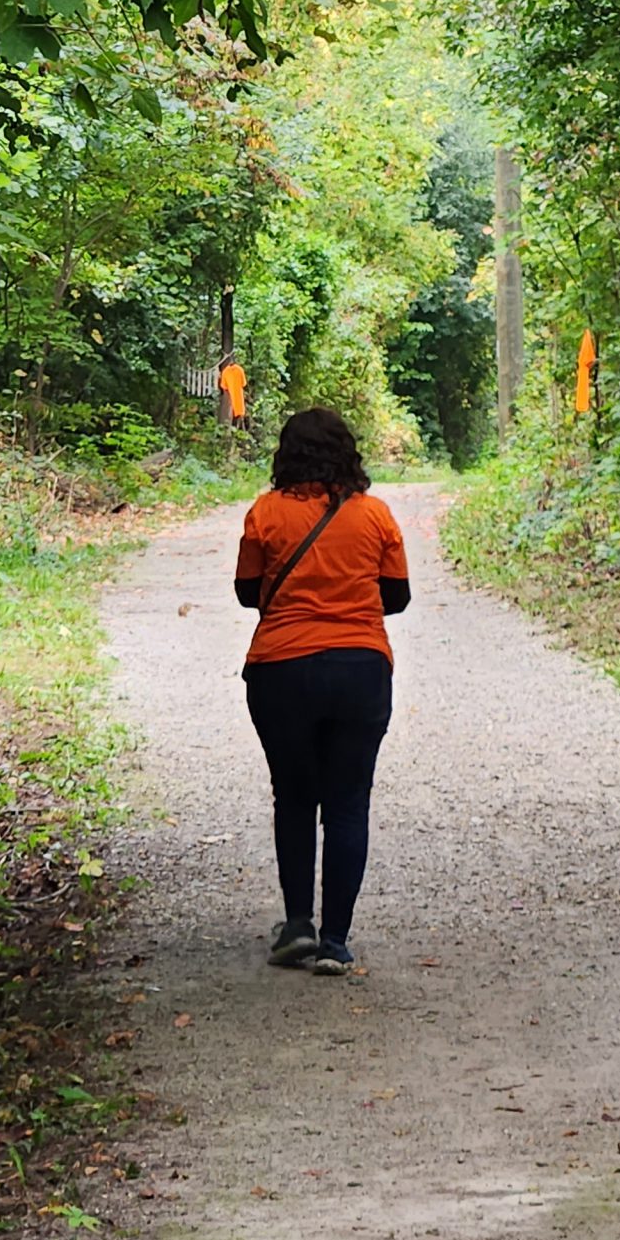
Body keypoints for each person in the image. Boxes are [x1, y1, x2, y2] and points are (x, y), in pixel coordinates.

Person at [234, 407, 410, 974]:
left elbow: (244, 592)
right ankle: (336, 942)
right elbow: (398, 597)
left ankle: (297, 927)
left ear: (286, 454)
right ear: (347, 453)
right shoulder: (375, 516)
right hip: (360, 669)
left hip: (281, 669)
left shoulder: (264, 513)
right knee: (348, 802)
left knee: (294, 797)